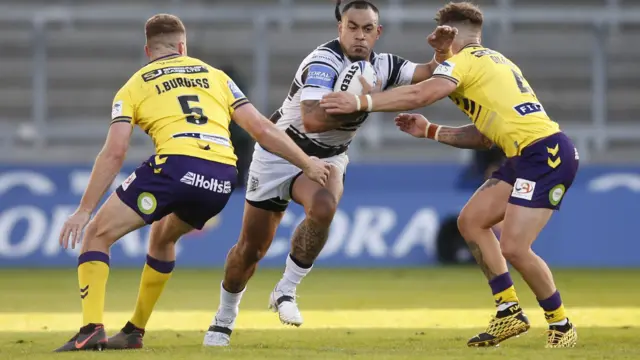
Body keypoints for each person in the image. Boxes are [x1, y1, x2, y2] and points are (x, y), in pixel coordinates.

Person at [54, 13, 331, 352]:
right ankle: (134, 331)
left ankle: (90, 329)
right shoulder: (216, 77)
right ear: (183, 47)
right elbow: (261, 128)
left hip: (175, 167)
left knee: (97, 234)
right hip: (221, 175)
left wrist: (84, 209)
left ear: (148, 50)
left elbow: (115, 152)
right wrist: (306, 162)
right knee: (162, 236)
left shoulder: (135, 85)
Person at [320, 1, 579, 349]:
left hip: (544, 154)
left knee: (515, 247)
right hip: (525, 153)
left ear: (452, 37)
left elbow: (420, 93)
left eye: (442, 39)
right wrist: (430, 131)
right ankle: (508, 312)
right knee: (471, 221)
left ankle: (560, 324)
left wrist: (362, 102)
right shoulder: (494, 61)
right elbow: (485, 136)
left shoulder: (466, 62)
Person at [203, 0, 457, 347]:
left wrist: (442, 54)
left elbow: (428, 72)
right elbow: (311, 119)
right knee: (251, 249)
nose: (359, 35)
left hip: (330, 156)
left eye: (367, 29)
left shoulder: (384, 65)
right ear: (340, 28)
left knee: (324, 207)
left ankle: (286, 290)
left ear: (377, 33)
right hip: (281, 151)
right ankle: (224, 316)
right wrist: (357, 102)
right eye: (352, 26)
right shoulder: (323, 62)